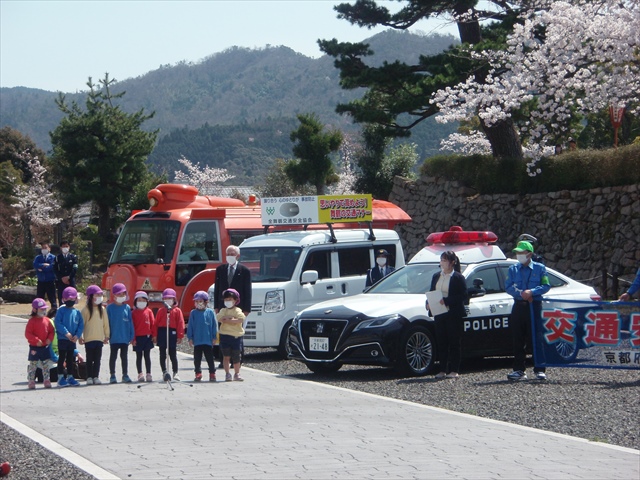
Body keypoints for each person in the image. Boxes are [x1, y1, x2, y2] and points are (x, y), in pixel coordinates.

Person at [505, 240, 551, 381]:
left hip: (534, 306)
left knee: (536, 338)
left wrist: (532, 292)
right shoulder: (513, 269)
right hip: (519, 306)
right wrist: (522, 294)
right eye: (517, 253)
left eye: (521, 252)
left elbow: (546, 285)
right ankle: (519, 370)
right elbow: (508, 286)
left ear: (529, 254)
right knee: (518, 338)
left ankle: (539, 369)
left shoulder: (540, 268)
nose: (519, 255)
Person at [427, 251, 468, 379]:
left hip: (453, 313)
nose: (442, 263)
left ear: (452, 262)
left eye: (445, 260)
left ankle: (454, 369)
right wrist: (428, 303)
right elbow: (432, 291)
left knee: (454, 342)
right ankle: (442, 369)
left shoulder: (458, 277)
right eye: (441, 260)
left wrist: (448, 300)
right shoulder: (436, 276)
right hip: (439, 313)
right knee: (441, 341)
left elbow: (463, 295)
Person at [213, 245, 252, 365]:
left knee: (237, 332)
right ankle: (223, 359)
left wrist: (246, 309)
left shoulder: (244, 271)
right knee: (223, 332)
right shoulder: (220, 269)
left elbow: (248, 290)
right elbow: (217, 288)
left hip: (239, 307)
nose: (230, 256)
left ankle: (238, 360)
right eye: (228, 254)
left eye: (232, 254)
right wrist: (216, 306)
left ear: (238, 256)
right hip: (223, 306)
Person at [54, 287, 84, 387]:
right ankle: (60, 377)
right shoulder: (61, 310)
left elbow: (81, 325)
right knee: (62, 358)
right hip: (63, 339)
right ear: (63, 299)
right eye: (67, 299)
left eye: (72, 299)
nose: (70, 301)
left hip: (72, 340)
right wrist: (66, 333)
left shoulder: (77, 312)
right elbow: (58, 323)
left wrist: (77, 335)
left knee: (71, 358)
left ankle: (71, 377)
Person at [80, 285, 109, 385]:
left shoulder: (103, 309)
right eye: (97, 295)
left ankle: (96, 376)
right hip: (89, 339)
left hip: (99, 339)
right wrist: (80, 336)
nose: (100, 297)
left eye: (101, 295)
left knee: (97, 359)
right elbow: (81, 325)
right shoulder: (85, 310)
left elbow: (106, 324)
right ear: (91, 296)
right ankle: (89, 377)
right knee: (89, 359)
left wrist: (107, 336)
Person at [106, 283, 135, 384]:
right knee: (113, 357)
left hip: (124, 338)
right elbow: (106, 323)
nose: (121, 297)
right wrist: (106, 335)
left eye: (123, 294)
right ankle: (112, 375)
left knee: (124, 357)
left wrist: (131, 336)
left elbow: (130, 322)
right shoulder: (109, 308)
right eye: (119, 294)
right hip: (114, 338)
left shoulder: (127, 307)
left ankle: (125, 374)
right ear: (114, 296)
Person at [154, 288, 185, 382]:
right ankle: (164, 371)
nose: (168, 300)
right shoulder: (161, 311)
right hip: (162, 331)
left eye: (170, 298)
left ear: (174, 299)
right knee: (162, 353)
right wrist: (155, 335)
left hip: (172, 332)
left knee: (173, 353)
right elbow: (156, 323)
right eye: (166, 298)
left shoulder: (177, 311)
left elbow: (180, 323)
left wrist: (180, 335)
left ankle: (175, 372)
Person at [187, 291, 218, 382]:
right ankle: (198, 373)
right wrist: (190, 338)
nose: (198, 303)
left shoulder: (210, 312)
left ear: (206, 302)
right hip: (197, 341)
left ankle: (212, 373)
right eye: (196, 301)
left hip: (207, 340)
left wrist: (214, 337)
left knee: (210, 358)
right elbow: (190, 326)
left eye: (200, 301)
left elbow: (214, 326)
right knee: (197, 358)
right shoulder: (193, 313)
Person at [25, 298, 56, 389]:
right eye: (41, 309)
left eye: (45, 309)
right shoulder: (32, 321)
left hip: (45, 347)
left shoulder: (47, 320)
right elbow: (28, 333)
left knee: (46, 364)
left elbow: (51, 331)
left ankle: (46, 379)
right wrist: (36, 340)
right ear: (35, 310)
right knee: (33, 364)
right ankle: (31, 380)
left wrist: (49, 339)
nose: (44, 311)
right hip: (35, 347)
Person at [217, 288, 246, 381]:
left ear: (235, 300)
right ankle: (227, 373)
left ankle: (237, 373)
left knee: (236, 356)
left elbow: (241, 318)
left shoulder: (238, 310)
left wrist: (229, 320)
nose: (227, 301)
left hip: (236, 337)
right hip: (225, 336)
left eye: (230, 299)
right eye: (226, 300)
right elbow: (219, 318)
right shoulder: (223, 310)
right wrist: (229, 318)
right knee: (226, 356)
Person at [132, 291, 155, 382]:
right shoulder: (133, 313)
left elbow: (153, 323)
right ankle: (140, 373)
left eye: (143, 300)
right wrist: (133, 339)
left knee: (147, 356)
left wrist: (154, 335)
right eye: (139, 300)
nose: (141, 302)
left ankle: (148, 373)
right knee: (138, 356)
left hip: (147, 337)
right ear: (135, 302)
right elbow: (132, 326)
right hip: (138, 338)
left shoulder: (149, 311)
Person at [33, 241, 57, 311]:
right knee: (39, 298)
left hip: (50, 281)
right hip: (41, 281)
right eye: (43, 248)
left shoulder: (53, 257)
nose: (44, 249)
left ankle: (54, 311)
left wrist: (42, 268)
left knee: (52, 298)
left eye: (45, 248)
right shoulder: (38, 257)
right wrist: (44, 265)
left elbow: (52, 267)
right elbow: (35, 265)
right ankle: (38, 312)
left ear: (49, 249)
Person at [53, 240, 78, 306]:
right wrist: (61, 278)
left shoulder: (73, 257)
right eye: (63, 246)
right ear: (61, 248)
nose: (65, 248)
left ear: (69, 247)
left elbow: (75, 268)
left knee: (72, 297)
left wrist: (69, 277)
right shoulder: (57, 258)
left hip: (71, 281)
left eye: (67, 246)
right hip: (61, 281)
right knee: (61, 298)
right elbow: (55, 269)